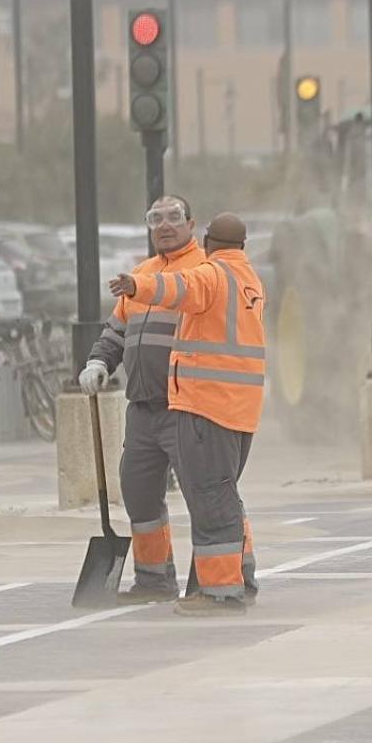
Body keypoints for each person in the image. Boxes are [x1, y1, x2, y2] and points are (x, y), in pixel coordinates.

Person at [109, 212, 266, 617]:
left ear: (208, 241)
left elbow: (180, 286)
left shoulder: (211, 275)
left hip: (204, 404)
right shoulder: (249, 279)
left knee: (211, 497)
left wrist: (136, 285)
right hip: (236, 407)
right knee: (220, 493)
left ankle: (219, 592)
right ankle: (237, 579)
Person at [78, 195, 204, 604]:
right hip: (144, 407)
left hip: (187, 404)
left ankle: (228, 576)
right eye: (155, 218)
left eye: (173, 217)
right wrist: (99, 362)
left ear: (191, 223)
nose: (164, 225)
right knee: (138, 490)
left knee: (206, 493)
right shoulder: (140, 275)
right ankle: (154, 580)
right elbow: (116, 332)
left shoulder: (203, 271)